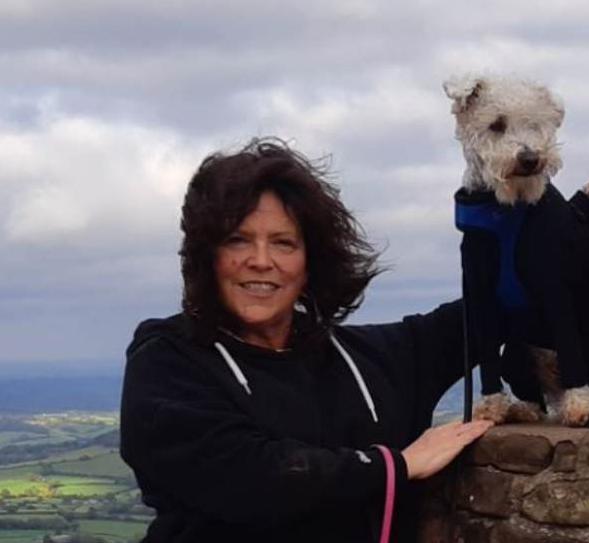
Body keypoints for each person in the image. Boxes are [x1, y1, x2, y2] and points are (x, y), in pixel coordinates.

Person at [120, 138, 495, 543]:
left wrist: (560, 222)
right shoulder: (167, 358)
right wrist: (395, 466)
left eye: (284, 242)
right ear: (206, 255)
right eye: (237, 240)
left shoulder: (364, 360)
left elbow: (496, 311)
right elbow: (246, 476)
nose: (261, 260)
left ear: (310, 262)